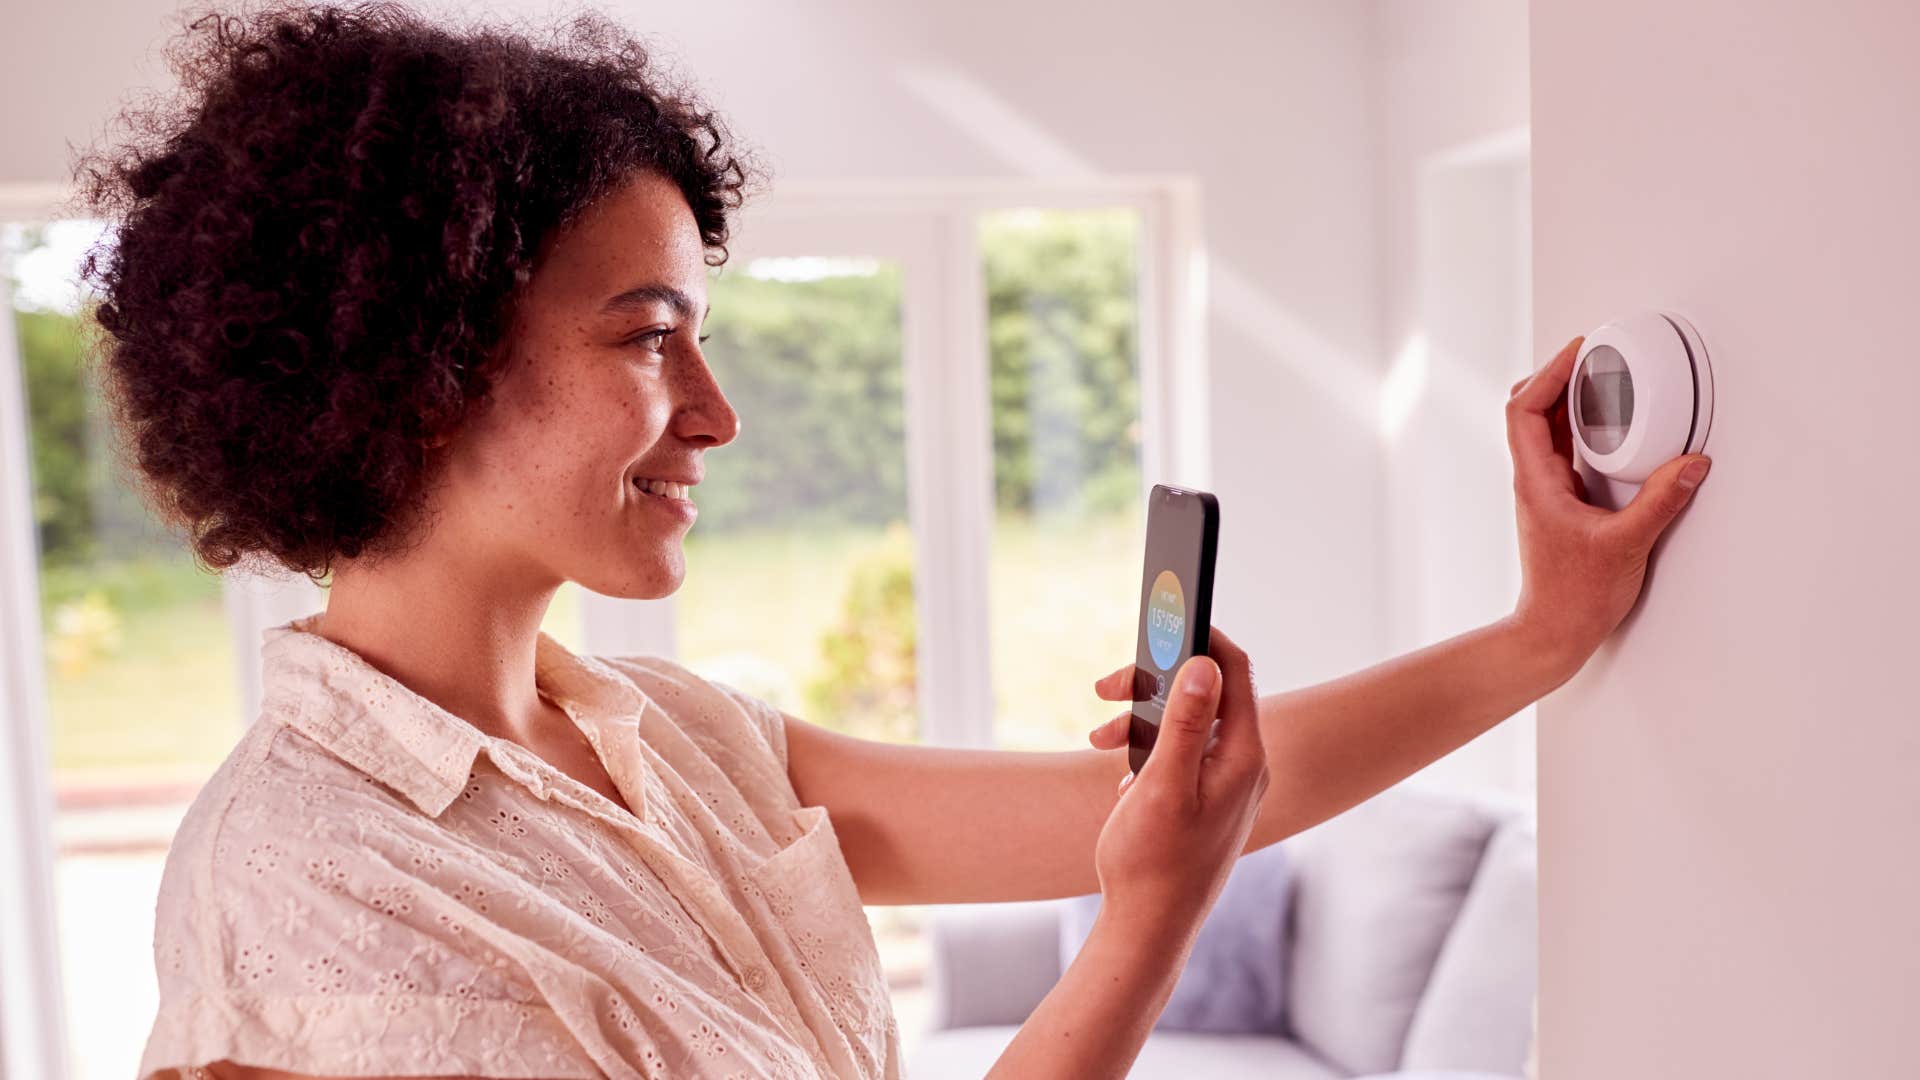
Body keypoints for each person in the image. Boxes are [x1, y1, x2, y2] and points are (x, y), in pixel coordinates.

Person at [76, 4, 1711, 1078]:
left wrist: (1541, 635)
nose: (716, 414)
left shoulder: (679, 742)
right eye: (649, 337)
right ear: (420, 370)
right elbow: (1147, 866)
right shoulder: (315, 897)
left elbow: (1140, 807)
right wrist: (1146, 938)